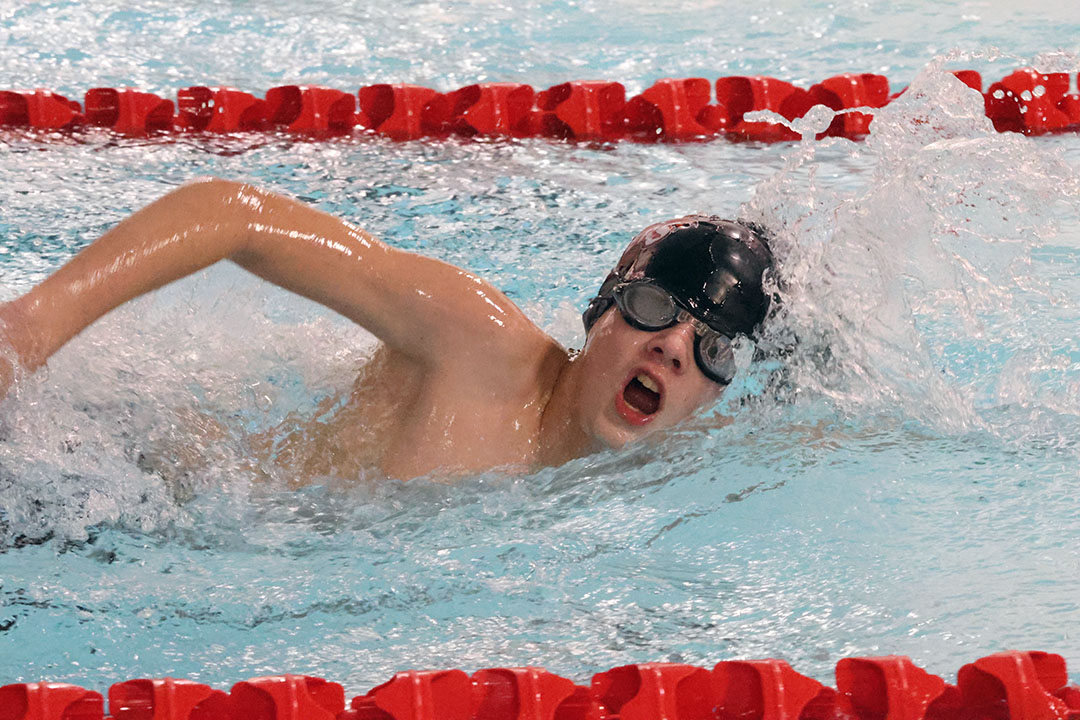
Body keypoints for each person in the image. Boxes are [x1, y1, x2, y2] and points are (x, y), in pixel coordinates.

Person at [0, 178, 775, 480]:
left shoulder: (675, 473)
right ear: (601, 310)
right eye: (653, 310)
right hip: (112, 484)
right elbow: (241, 217)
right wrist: (29, 331)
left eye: (710, 348)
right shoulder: (479, 344)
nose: (673, 347)